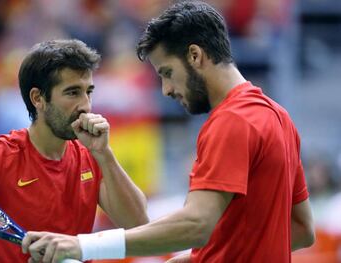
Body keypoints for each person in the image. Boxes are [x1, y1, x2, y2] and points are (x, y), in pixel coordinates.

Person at [21, 2, 315, 263]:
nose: (166, 90)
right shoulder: (278, 116)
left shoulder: (231, 122)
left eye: (167, 73)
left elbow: (196, 225)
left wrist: (82, 246)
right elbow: (301, 231)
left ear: (196, 55)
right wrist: (202, 257)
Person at [0, 39, 148, 262]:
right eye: (72, 93)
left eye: (88, 92)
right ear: (38, 98)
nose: (85, 105)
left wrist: (105, 154)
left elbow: (139, 225)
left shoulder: (92, 156)